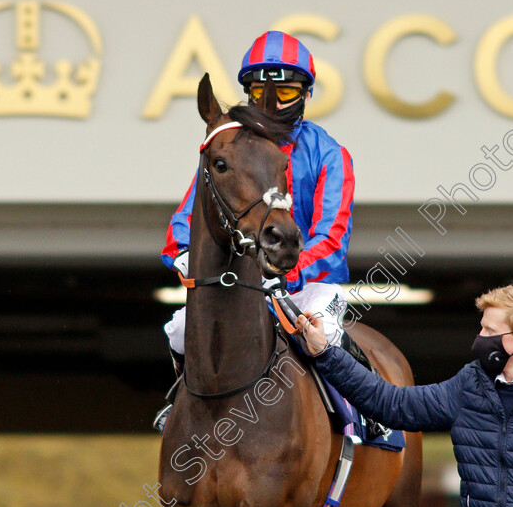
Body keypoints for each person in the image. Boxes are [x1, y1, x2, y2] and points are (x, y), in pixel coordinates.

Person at [154, 30, 386, 435]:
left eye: (285, 91)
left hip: (309, 285)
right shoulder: (228, 150)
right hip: (243, 284)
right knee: (179, 328)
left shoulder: (331, 153)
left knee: (324, 333)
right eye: (261, 91)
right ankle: (182, 405)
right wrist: (186, 254)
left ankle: (367, 419)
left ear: (307, 95)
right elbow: (187, 220)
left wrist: (284, 276)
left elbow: (331, 239)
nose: (272, 104)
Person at [298, 283, 513, 507]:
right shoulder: (470, 383)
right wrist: (326, 354)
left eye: (488, 331)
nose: (478, 340)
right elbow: (391, 404)